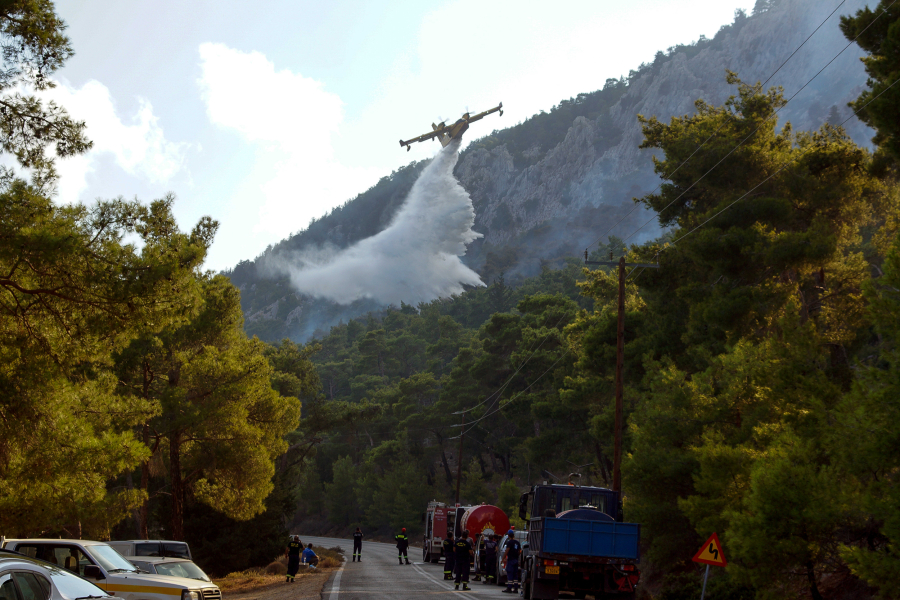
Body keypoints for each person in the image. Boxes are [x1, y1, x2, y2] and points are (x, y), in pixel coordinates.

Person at [501, 530, 521, 594]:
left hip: (511, 560)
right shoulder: (517, 542)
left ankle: (509, 588)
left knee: (510, 573)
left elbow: (507, 550)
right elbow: (520, 551)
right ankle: (516, 588)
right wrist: (516, 555)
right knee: (515, 575)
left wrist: (503, 558)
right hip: (516, 560)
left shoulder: (509, 542)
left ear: (508, 535)